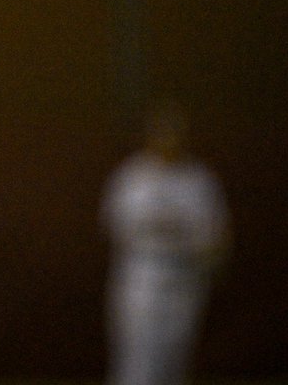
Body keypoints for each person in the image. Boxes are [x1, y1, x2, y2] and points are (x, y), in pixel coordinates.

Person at [100, 99, 232, 385]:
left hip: (185, 275)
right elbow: (114, 226)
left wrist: (208, 262)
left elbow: (217, 235)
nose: (168, 139)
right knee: (138, 356)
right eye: (162, 131)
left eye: (174, 131)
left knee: (175, 357)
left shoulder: (198, 180)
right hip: (144, 273)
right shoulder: (133, 176)